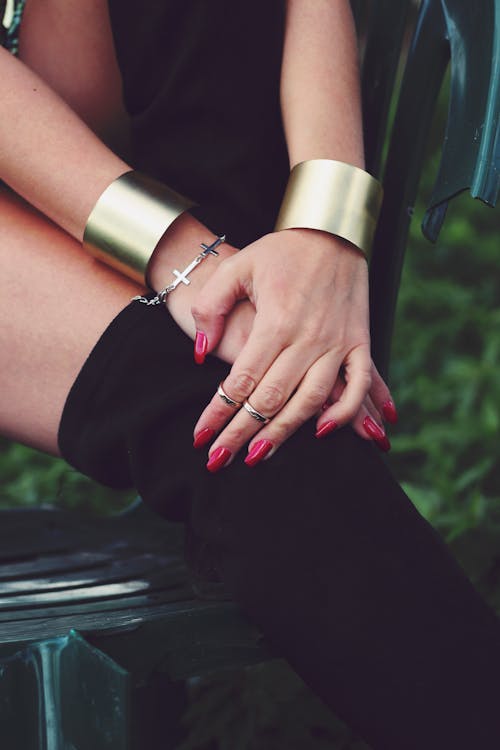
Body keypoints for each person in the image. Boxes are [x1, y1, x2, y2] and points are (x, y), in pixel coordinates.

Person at [1, 1, 500, 748]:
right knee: (239, 415)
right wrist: (187, 260)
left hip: (108, 123)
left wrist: (326, 229)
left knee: (262, 410)